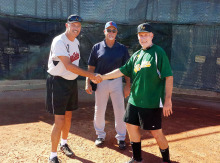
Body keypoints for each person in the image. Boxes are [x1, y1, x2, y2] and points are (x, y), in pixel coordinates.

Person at [100, 23, 173, 163]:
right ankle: (137, 158)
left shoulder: (158, 52)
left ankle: (166, 160)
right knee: (130, 126)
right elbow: (122, 70)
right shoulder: (137, 55)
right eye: (140, 35)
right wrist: (103, 77)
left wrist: (168, 100)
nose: (143, 38)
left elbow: (168, 76)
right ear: (138, 37)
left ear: (152, 35)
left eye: (146, 35)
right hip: (134, 101)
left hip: (150, 102)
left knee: (156, 133)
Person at [46, 14, 101, 163]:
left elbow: (74, 68)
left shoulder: (76, 41)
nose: (76, 28)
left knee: (68, 116)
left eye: (78, 25)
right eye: (73, 25)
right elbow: (69, 65)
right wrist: (91, 75)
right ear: (67, 25)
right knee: (59, 120)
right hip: (57, 82)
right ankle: (53, 155)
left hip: (71, 82)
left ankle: (64, 143)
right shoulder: (59, 41)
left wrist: (87, 78)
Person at [85, 21, 130, 150]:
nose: (111, 33)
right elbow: (91, 67)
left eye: (113, 30)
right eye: (108, 30)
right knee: (99, 110)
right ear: (104, 32)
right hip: (100, 82)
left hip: (117, 82)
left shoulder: (122, 48)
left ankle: (121, 137)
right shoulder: (97, 47)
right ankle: (100, 135)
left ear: (116, 33)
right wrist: (88, 82)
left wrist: (128, 85)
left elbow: (126, 68)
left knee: (120, 110)